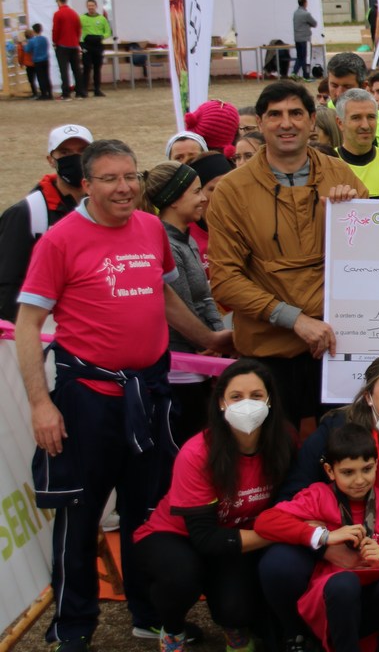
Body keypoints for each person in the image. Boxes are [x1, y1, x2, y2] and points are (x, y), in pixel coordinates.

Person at [16, 139, 232, 649]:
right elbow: (29, 325)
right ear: (86, 185)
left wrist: (208, 342)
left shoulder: (151, 227)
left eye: (131, 176)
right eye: (110, 178)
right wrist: (41, 404)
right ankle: (73, 626)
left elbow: (162, 293)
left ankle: (146, 611)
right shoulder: (61, 240)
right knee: (81, 515)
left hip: (150, 393)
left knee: (145, 510)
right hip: (88, 397)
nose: (124, 187)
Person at [206, 81, 368, 427]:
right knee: (275, 460)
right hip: (269, 350)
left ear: (312, 121)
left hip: (336, 347)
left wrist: (352, 214)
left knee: (338, 456)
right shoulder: (232, 191)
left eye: (296, 113)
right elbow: (225, 281)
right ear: (260, 124)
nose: (286, 123)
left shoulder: (339, 174)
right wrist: (295, 319)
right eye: (275, 115)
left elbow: (370, 262)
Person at [262, 354, 379, 652]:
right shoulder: (336, 431)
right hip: (329, 540)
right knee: (280, 563)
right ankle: (296, 633)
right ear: (369, 396)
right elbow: (290, 499)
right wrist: (326, 543)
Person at [133, 360, 293, 652]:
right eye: (236, 396)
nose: (247, 404)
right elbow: (204, 538)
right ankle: (172, 629)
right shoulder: (197, 453)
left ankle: (234, 626)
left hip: (234, 536)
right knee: (180, 577)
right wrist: (285, 532)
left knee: (237, 608)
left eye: (257, 396)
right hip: (176, 534)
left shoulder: (283, 443)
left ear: (270, 400)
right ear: (221, 402)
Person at [255, 424, 379, 652]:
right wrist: (324, 536)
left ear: (376, 466)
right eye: (348, 472)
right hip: (333, 599)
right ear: (330, 470)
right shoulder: (318, 495)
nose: (359, 480)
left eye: (367, 469)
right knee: (345, 584)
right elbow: (265, 522)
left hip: (375, 600)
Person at [142, 161, 227, 440]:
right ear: (174, 199)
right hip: (179, 371)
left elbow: (204, 297)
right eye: (196, 191)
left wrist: (216, 336)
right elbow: (180, 306)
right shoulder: (163, 242)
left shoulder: (187, 239)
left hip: (200, 362)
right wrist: (210, 341)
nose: (204, 198)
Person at [0, 124, 92, 321]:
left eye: (82, 151)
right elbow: (8, 285)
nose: (75, 158)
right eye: (65, 152)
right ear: (51, 160)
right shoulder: (26, 213)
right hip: (45, 332)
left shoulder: (105, 206)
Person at [333, 89, 379, 198]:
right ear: (340, 123)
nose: (365, 125)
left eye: (371, 117)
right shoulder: (327, 163)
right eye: (356, 118)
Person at [324, 52, 379, 154]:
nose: (339, 93)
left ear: (364, 86)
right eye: (334, 85)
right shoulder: (320, 117)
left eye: (347, 87)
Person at [78, 0, 111, 98]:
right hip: (87, 45)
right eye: (89, 5)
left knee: (97, 68)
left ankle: (97, 89)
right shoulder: (82, 18)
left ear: (96, 6)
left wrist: (102, 37)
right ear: (87, 6)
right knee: (87, 68)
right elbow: (78, 31)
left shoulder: (102, 19)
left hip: (98, 45)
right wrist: (81, 43)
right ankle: (84, 90)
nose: (91, 7)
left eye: (92, 5)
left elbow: (108, 31)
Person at [52, 0, 82, 100]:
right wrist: (76, 41)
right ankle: (80, 92)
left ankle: (66, 93)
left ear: (58, 1)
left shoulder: (58, 14)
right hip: (74, 44)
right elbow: (79, 29)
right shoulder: (74, 13)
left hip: (62, 45)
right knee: (76, 69)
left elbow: (56, 30)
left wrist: (55, 41)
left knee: (64, 70)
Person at [293, 0, 318, 80]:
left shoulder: (295, 13)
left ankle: (294, 72)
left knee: (299, 56)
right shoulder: (306, 14)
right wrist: (308, 24)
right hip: (305, 38)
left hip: (297, 38)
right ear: (304, 3)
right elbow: (314, 23)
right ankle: (306, 75)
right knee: (306, 57)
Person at [26, 23, 52, 99]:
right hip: (46, 59)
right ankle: (49, 93)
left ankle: (44, 93)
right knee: (47, 76)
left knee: (41, 77)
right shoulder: (45, 39)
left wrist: (24, 45)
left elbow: (27, 50)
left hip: (37, 60)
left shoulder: (32, 41)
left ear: (33, 31)